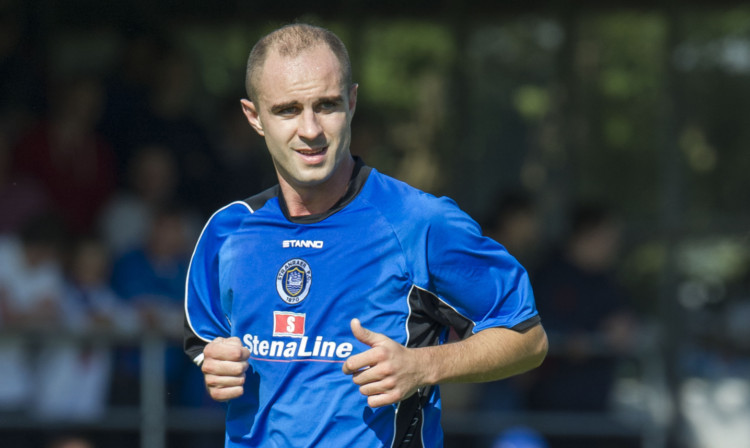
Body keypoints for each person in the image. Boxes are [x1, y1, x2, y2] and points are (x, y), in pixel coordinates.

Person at [183, 23, 547, 447]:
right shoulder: (227, 231)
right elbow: (205, 341)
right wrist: (214, 361)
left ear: (352, 102)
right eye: (287, 110)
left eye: (327, 105)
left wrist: (424, 365)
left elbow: (528, 338)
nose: (311, 129)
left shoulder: (419, 222)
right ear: (254, 117)